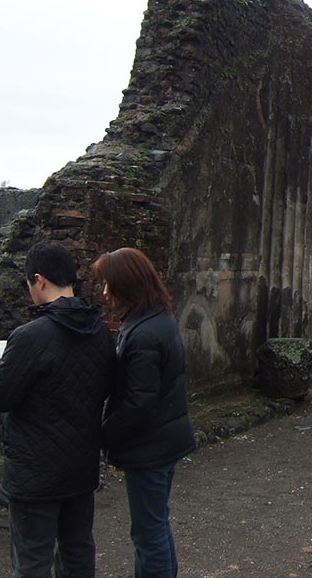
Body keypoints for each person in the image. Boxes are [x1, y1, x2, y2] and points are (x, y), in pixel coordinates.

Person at [0, 242, 116, 577]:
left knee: (32, 562)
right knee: (77, 554)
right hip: (80, 467)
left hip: (35, 474)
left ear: (39, 280)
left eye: (29, 284)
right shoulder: (99, 331)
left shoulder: (30, 336)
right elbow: (105, 387)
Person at [93, 247, 195, 578]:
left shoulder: (145, 333)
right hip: (163, 441)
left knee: (149, 534)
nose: (105, 293)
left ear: (129, 285)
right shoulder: (156, 320)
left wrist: (103, 436)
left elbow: (139, 402)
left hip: (149, 447)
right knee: (155, 528)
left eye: (110, 284)